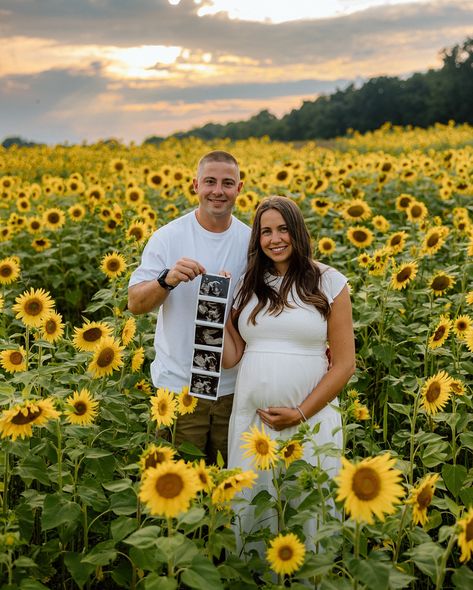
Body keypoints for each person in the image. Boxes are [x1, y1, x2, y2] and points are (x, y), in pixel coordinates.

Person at [223, 195, 355, 547]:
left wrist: (299, 412)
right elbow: (232, 356)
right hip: (255, 423)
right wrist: (214, 310)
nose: (275, 239)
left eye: (283, 229)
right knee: (252, 509)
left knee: (309, 506)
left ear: (298, 231)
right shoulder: (248, 285)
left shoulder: (329, 282)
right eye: (265, 232)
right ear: (257, 239)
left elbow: (344, 364)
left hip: (311, 421)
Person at [128, 150, 250, 464]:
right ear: (195, 185)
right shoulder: (168, 238)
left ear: (240, 187)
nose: (218, 190)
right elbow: (135, 303)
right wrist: (165, 280)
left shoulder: (251, 242)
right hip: (180, 387)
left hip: (232, 387)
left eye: (227, 183)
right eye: (210, 181)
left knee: (230, 485)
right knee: (176, 483)